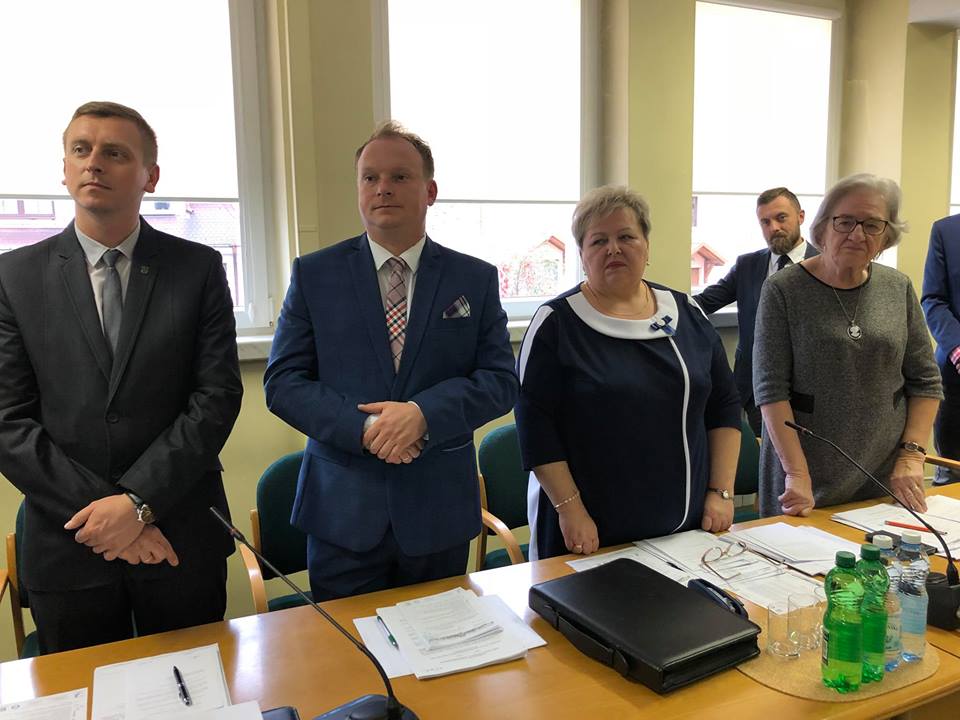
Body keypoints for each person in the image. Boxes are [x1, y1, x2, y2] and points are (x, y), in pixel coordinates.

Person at [0, 101, 243, 653]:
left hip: (180, 536)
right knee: (83, 691)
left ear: (150, 176)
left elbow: (216, 397)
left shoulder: (198, 268)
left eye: (114, 152)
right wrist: (111, 516)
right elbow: (8, 421)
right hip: (70, 543)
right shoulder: (13, 276)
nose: (94, 162)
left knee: (196, 686)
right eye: (80, 150)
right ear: (64, 169)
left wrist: (138, 504)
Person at [264, 121, 517, 600]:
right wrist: (367, 429)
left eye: (400, 176)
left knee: (442, 642)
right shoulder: (315, 274)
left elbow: (500, 380)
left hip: (439, 510)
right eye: (370, 177)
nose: (383, 188)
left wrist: (423, 415)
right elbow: (283, 383)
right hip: (342, 514)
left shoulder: (474, 278)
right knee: (348, 646)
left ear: (430, 191)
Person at [515, 185, 741, 560]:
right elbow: (535, 428)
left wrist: (721, 492)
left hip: (688, 530)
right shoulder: (556, 324)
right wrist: (571, 512)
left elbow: (725, 405)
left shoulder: (687, 314)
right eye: (598, 240)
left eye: (626, 237)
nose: (613, 249)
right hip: (587, 534)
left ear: (646, 246)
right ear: (582, 255)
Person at [753, 173, 941, 518]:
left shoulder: (898, 287)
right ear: (823, 226)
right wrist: (797, 473)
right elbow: (770, 390)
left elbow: (926, 381)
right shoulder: (783, 290)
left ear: (885, 236)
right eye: (845, 221)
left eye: (872, 224)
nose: (857, 234)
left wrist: (912, 455)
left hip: (884, 472)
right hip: (803, 475)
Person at [695, 187, 818, 435]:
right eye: (765, 222)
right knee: (763, 453)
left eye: (781, 218)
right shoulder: (748, 265)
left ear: (801, 217)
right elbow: (704, 302)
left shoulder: (825, 264)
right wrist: (656, 303)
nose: (774, 227)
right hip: (755, 388)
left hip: (808, 391)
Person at [921, 213, 960, 485]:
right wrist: (957, 348)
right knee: (952, 477)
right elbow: (933, 299)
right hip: (956, 380)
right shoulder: (946, 231)